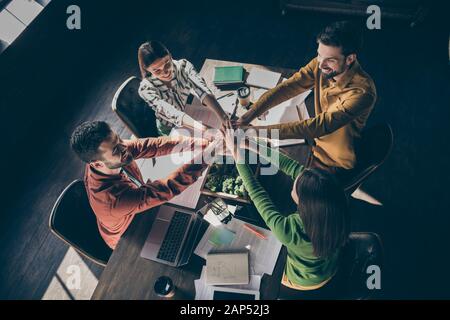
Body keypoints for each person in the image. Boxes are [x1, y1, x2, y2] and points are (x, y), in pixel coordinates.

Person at [234, 21, 377, 172]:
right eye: (319, 55)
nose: (320, 65)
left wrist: (255, 131)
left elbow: (318, 126)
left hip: (334, 162)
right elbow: (290, 86)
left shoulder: (363, 93)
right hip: (314, 142)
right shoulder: (321, 64)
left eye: (330, 60)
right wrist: (249, 115)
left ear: (350, 59)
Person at [223, 125, 349, 292]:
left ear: (304, 205)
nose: (293, 185)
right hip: (331, 261)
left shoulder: (290, 230)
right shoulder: (331, 202)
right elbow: (292, 167)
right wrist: (249, 144)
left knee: (257, 266)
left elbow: (256, 192)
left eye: (294, 189)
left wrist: (236, 153)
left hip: (307, 279)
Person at [70, 120, 214, 249]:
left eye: (119, 138)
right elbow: (167, 188)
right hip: (131, 235)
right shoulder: (112, 201)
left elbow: (152, 146)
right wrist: (207, 156)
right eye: (116, 149)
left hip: (138, 205)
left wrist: (203, 143)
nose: (124, 146)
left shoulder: (115, 153)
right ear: (97, 163)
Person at [138, 41, 230, 136]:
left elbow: (201, 89)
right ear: (146, 69)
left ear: (170, 55)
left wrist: (224, 117)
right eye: (157, 71)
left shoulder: (183, 66)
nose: (165, 72)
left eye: (167, 63)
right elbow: (171, 112)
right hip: (170, 127)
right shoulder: (146, 89)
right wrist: (205, 129)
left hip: (189, 112)